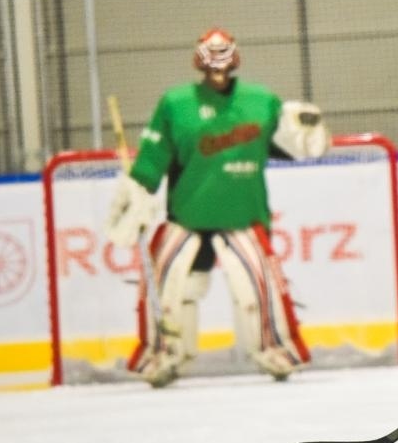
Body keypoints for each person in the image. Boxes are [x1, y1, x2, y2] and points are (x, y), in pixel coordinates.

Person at [105, 27, 330, 386]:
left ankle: (275, 349)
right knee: (169, 290)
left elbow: (291, 146)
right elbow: (153, 157)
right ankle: (164, 355)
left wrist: (306, 135)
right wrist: (137, 191)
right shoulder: (176, 104)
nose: (218, 74)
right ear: (200, 64)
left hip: (243, 217)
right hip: (187, 217)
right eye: (211, 67)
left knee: (260, 289)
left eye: (223, 66)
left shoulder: (262, 101)